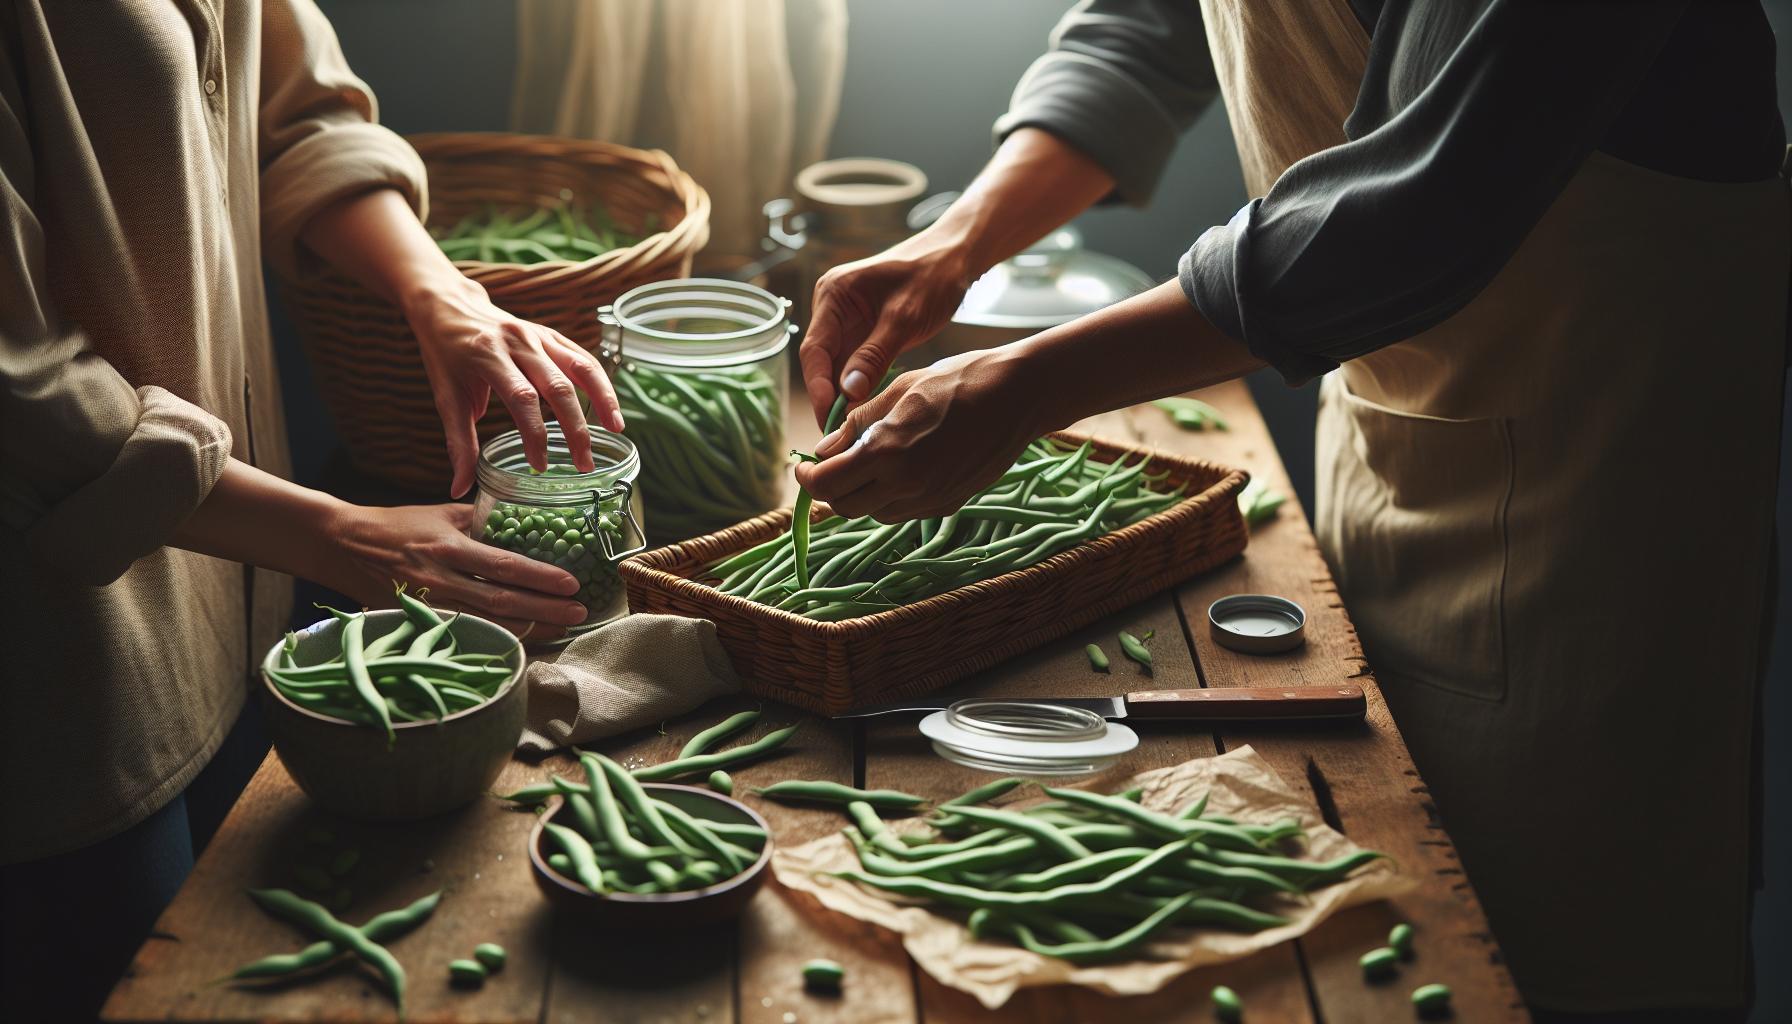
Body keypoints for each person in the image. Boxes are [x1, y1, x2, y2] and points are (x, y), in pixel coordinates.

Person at [795, 1, 1785, 1018]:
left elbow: (1423, 209)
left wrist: (1029, 386)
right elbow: (1153, 23)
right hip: (1393, 393)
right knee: (1391, 880)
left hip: (1601, 445)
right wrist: (958, 246)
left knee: (1569, 908)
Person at [0, 3, 622, 1017]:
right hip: (69, 667)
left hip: (242, 593)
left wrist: (439, 290)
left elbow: (296, 113)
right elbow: (18, 386)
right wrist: (336, 533)